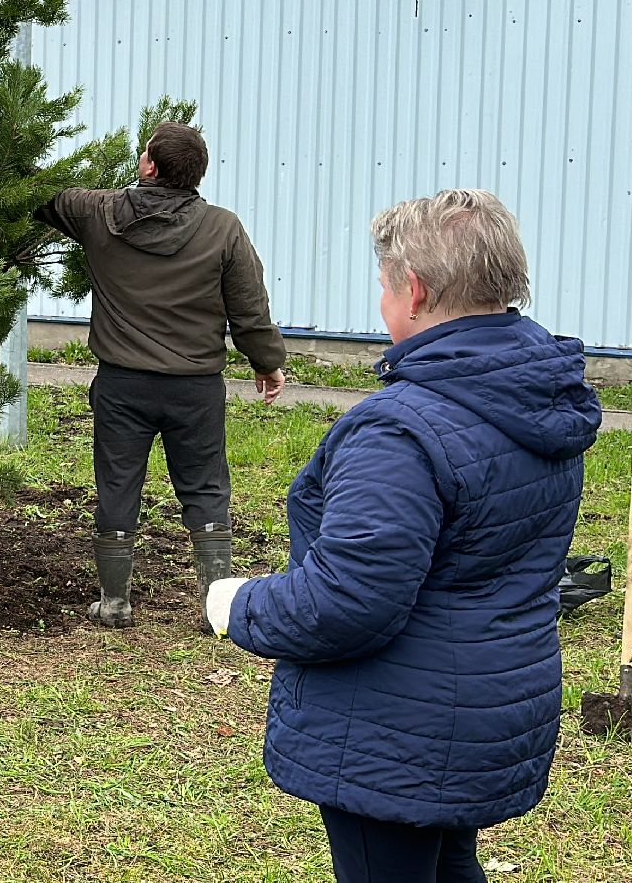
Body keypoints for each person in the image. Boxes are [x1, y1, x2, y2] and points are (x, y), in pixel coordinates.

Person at [206, 190, 601, 883]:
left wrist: (237, 604)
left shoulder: (399, 431)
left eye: (384, 285)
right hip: (490, 705)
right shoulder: (539, 394)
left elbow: (349, 601)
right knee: (449, 864)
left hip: (395, 730)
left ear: (412, 291)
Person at [35, 122, 286, 629]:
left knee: (117, 483)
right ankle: (216, 610)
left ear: (149, 166)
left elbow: (42, 197)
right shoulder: (223, 228)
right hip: (195, 387)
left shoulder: (97, 212)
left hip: (122, 384)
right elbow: (249, 308)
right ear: (196, 173)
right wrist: (266, 361)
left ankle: (114, 603)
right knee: (206, 487)